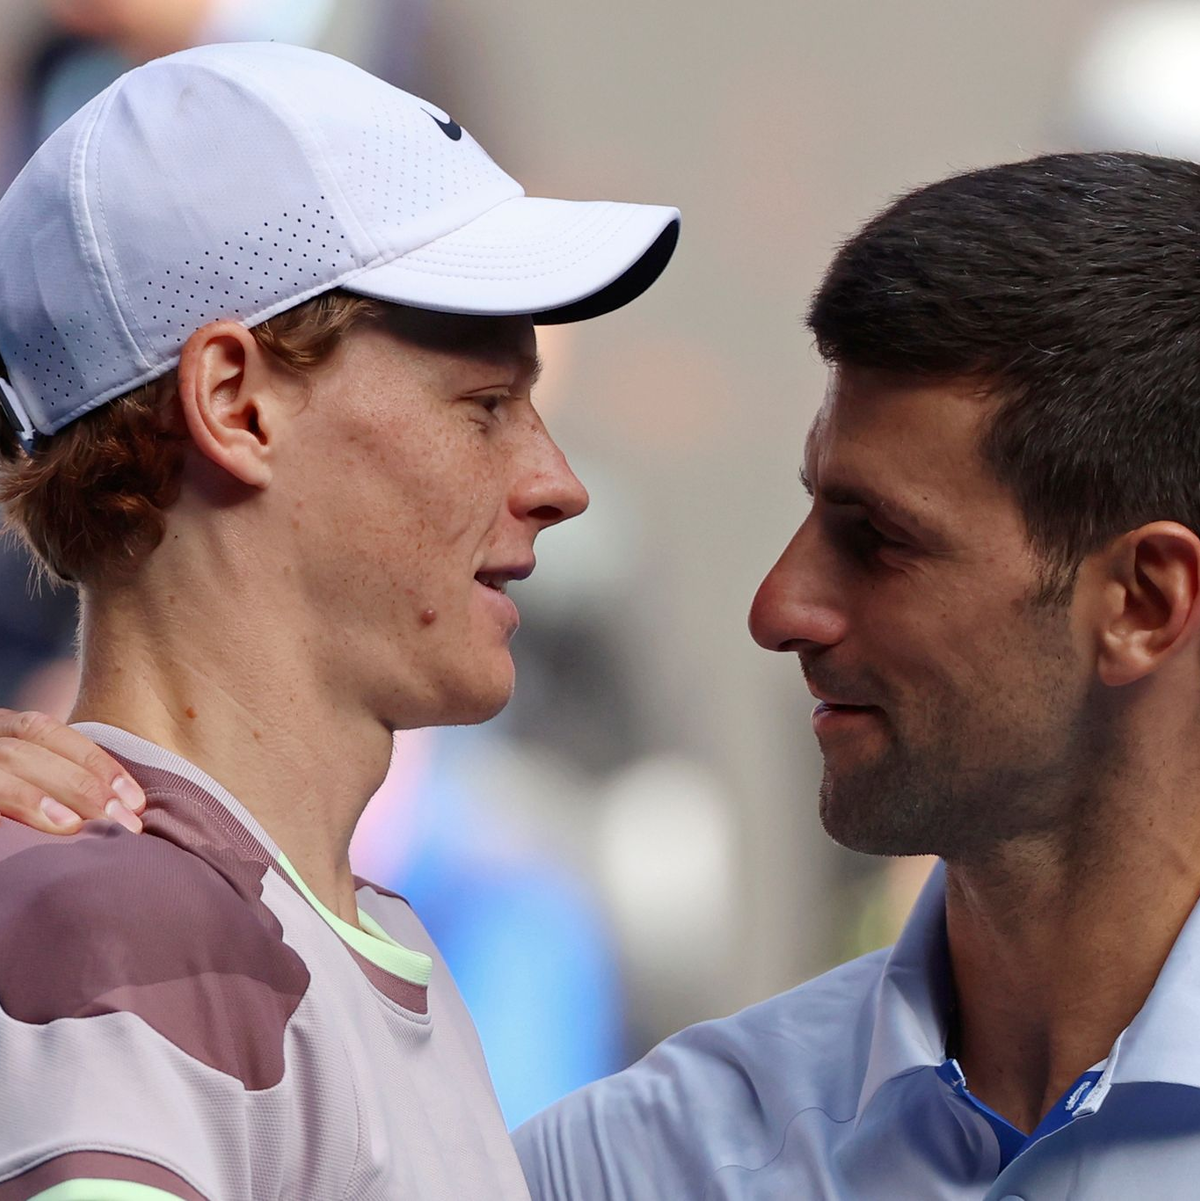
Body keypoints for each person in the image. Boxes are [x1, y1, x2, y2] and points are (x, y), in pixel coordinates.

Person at [10, 153, 1200, 1199]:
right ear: (231, 405)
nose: (777, 606)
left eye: (878, 536)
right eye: (484, 405)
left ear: (1145, 601)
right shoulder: (643, 1161)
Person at [0, 40, 677, 1201]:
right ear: (236, 403)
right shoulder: (125, 924)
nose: (556, 481)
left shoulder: (315, 927)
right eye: (485, 405)